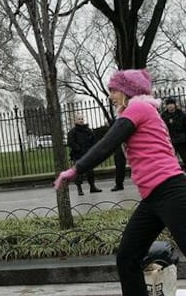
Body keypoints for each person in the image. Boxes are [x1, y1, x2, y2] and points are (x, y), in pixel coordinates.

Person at [54, 68, 186, 296]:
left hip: (170, 191)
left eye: (113, 90)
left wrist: (76, 169)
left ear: (127, 91)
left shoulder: (138, 108)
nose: (110, 95)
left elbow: (108, 143)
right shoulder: (144, 111)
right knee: (128, 257)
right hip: (153, 198)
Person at [67, 113, 102, 196]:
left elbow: (94, 140)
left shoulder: (88, 130)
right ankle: (79, 189)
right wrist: (78, 149)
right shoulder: (72, 132)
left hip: (88, 154)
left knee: (90, 172)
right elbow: (71, 143)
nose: (81, 120)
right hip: (78, 155)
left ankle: (92, 187)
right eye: (79, 119)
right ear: (75, 121)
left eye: (82, 119)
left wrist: (91, 149)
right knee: (78, 172)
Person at [161, 97, 186, 167]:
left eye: (172, 103)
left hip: (182, 141)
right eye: (168, 104)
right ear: (166, 106)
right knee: (170, 160)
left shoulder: (181, 114)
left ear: (175, 105)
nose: (170, 106)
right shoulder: (163, 116)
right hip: (170, 142)